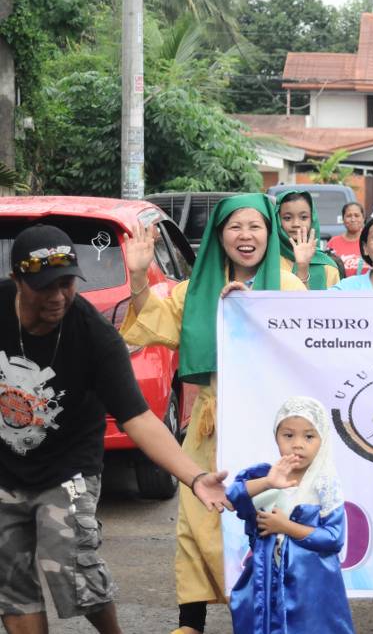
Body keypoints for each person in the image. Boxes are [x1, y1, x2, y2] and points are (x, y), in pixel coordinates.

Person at [0, 224, 229, 634]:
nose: (57, 297)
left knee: (74, 568)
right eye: (43, 287)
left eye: (66, 284)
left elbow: (139, 418)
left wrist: (194, 478)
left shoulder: (93, 334)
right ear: (17, 280)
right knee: (12, 584)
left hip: (67, 467)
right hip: (5, 467)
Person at [122, 194, 306, 634]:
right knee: (198, 520)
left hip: (272, 428)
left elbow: (308, 353)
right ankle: (192, 620)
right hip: (210, 428)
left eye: (255, 226)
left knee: (273, 521)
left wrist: (252, 307)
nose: (246, 236)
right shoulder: (193, 292)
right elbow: (149, 323)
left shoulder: (292, 290)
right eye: (235, 227)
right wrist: (136, 276)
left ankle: (272, 615)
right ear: (219, 236)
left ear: (269, 232)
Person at [226, 397, 354, 634]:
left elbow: (334, 538)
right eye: (288, 435)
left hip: (310, 584)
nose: (298, 444)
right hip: (266, 578)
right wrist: (268, 482)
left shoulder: (325, 483)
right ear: (276, 437)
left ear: (322, 439)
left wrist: (285, 527)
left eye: (309, 436)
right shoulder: (267, 475)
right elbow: (231, 498)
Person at [274, 190, 341, 288]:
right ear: (277, 220)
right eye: (287, 218)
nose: (296, 224)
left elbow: (334, 303)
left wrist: (303, 267)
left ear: (312, 220)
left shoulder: (327, 266)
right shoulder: (267, 261)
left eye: (303, 217)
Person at [326, 202, 366, 277]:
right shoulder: (333, 242)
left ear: (363, 218)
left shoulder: (368, 242)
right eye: (349, 216)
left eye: (357, 215)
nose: (353, 219)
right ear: (343, 219)